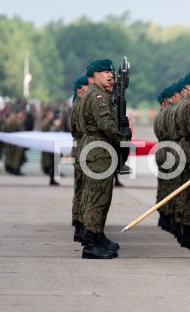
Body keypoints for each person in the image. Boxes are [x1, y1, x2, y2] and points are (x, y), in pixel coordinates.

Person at [78, 59, 123, 259]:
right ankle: (91, 243)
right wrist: (122, 139)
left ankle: (97, 237)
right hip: (99, 150)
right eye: (105, 72)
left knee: (100, 196)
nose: (110, 76)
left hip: (98, 149)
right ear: (94, 75)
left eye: (111, 73)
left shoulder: (98, 94)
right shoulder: (97, 96)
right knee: (97, 198)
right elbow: (106, 125)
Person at [70, 75, 89, 241]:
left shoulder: (78, 104)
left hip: (80, 148)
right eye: (86, 86)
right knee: (82, 189)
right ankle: (80, 224)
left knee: (81, 189)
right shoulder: (79, 105)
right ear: (79, 89)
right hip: (82, 148)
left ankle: (79, 222)